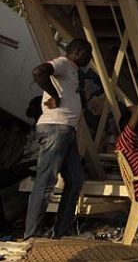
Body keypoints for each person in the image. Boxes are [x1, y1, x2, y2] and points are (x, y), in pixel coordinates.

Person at [24, 39, 93, 240]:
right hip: (56, 127)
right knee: (46, 181)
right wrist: (55, 95)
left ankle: (60, 232)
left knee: (75, 179)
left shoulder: (72, 72)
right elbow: (39, 72)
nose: (89, 59)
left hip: (67, 130)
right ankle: (33, 233)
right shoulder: (62, 63)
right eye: (88, 53)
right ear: (78, 51)